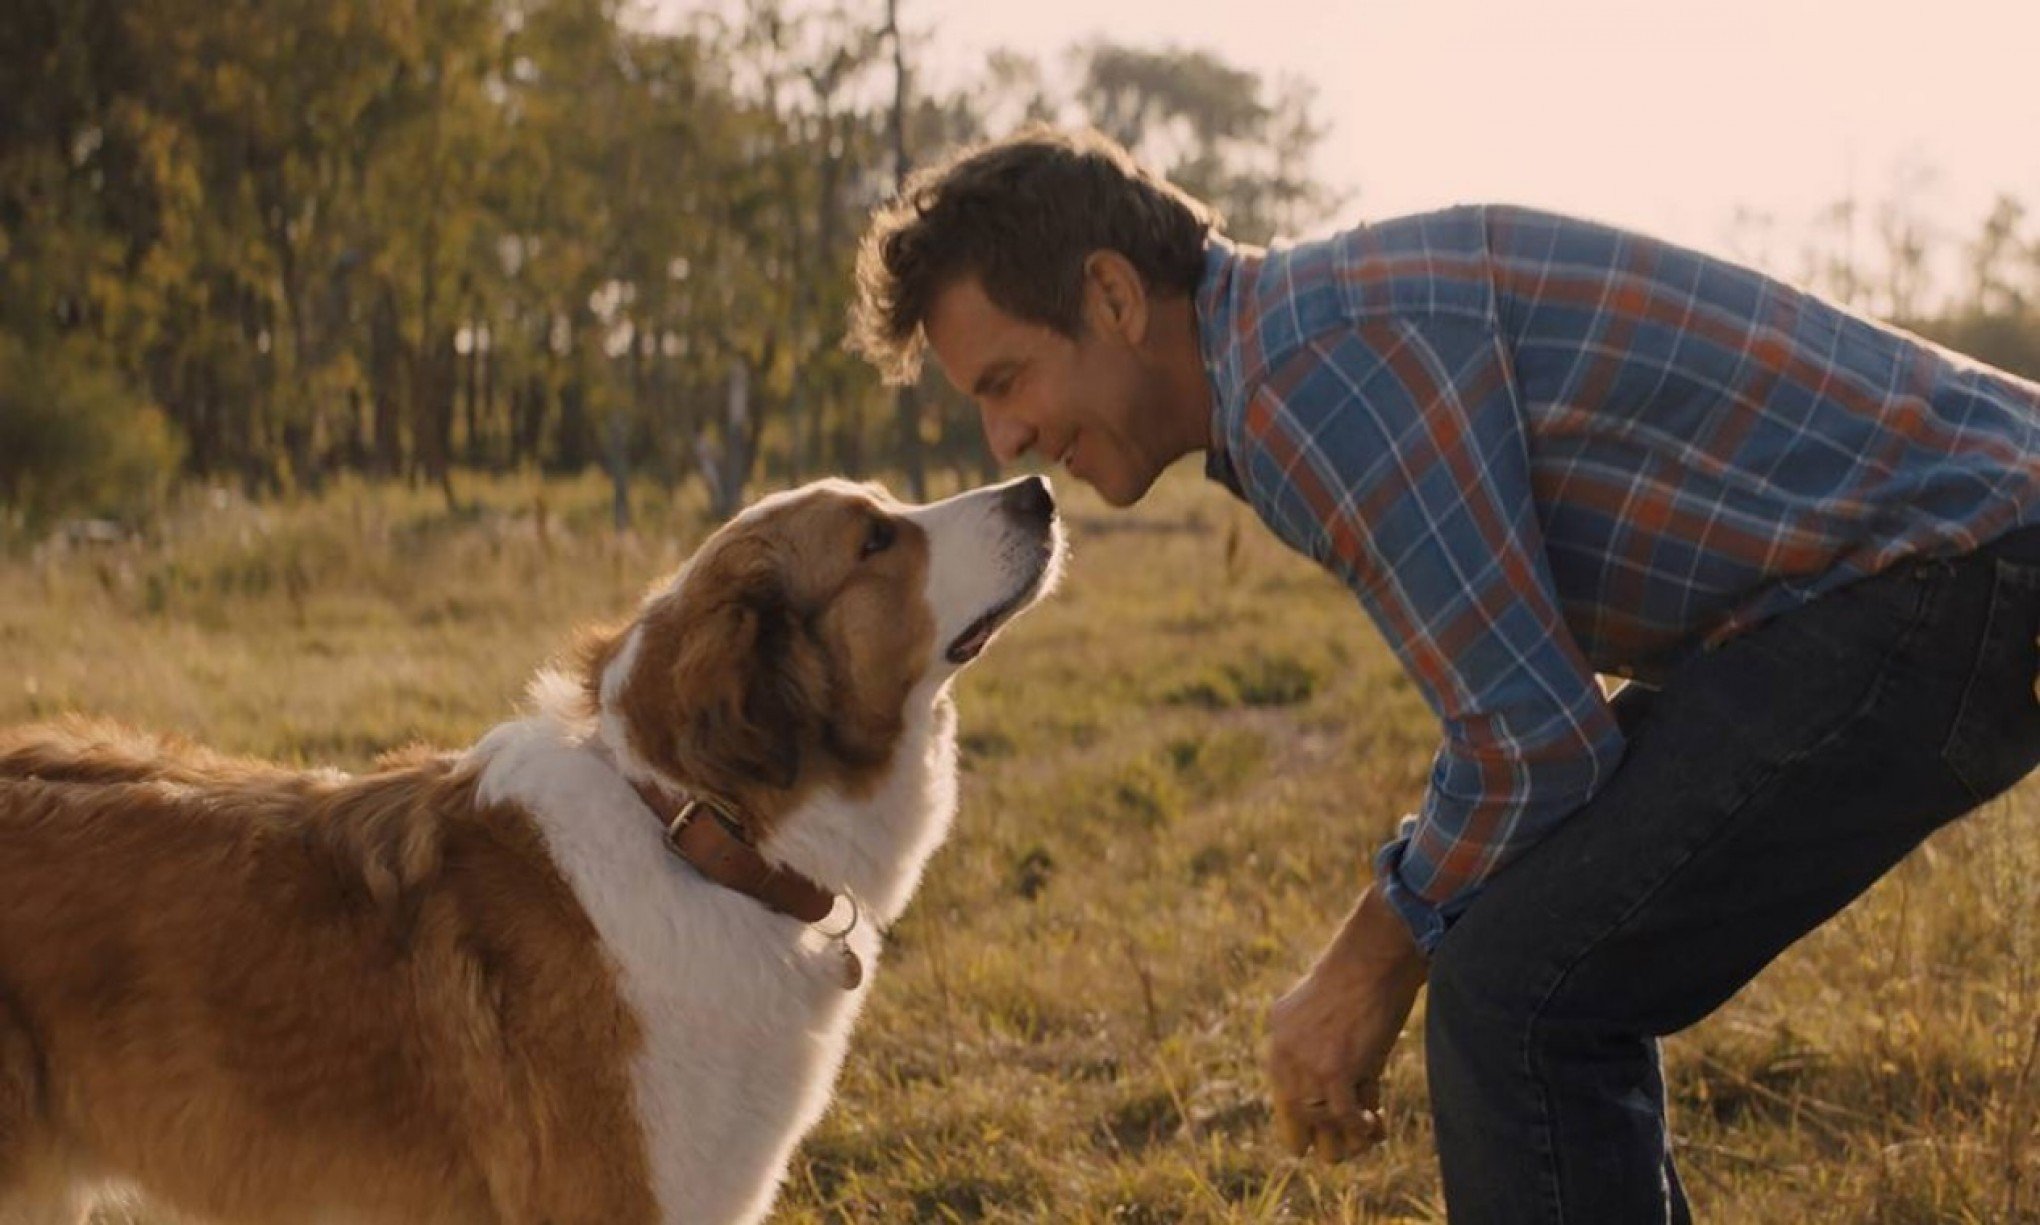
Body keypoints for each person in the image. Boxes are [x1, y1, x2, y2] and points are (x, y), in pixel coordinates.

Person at [847, 125, 2040, 1222]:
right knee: (1521, 968)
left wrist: (1367, 961)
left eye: (1005, 382)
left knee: (1522, 993)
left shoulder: (1316, 377)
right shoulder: (1298, 351)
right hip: (1921, 577)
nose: (1001, 441)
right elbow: (1535, 729)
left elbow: (1532, 741)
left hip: (1959, 569)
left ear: (1110, 295)